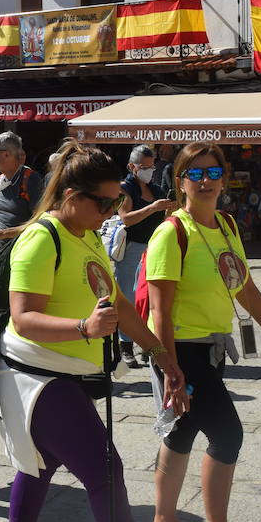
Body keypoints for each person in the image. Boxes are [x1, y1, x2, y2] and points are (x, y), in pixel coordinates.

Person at [0, 139, 198, 522]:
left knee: (39, 464)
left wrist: (160, 354)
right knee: (106, 472)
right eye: (103, 203)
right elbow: (23, 318)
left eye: (116, 202)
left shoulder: (86, 235)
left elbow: (119, 304)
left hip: (65, 373)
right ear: (71, 196)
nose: (110, 212)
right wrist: (83, 328)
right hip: (37, 377)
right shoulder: (41, 238)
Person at [145, 142, 261, 522]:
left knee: (181, 432)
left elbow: (243, 286)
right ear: (180, 182)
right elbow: (160, 311)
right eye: (195, 174)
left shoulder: (227, 224)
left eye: (214, 173)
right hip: (182, 351)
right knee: (227, 435)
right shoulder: (171, 233)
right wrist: (170, 368)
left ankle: (164, 521)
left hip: (213, 347)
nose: (206, 181)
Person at [102, 145, 176, 361]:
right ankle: (125, 345)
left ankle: (147, 344)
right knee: (128, 297)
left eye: (152, 167)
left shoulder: (156, 189)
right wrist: (153, 207)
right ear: (132, 167)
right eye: (144, 167)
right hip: (132, 247)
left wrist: (168, 209)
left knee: (150, 298)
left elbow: (163, 220)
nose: (149, 171)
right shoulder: (125, 188)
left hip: (153, 247)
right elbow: (126, 218)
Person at [0, 132, 46, 247]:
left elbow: (40, 222)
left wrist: (2, 234)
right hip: (0, 252)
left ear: (6, 154)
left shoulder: (30, 179)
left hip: (22, 251)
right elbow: (1, 220)